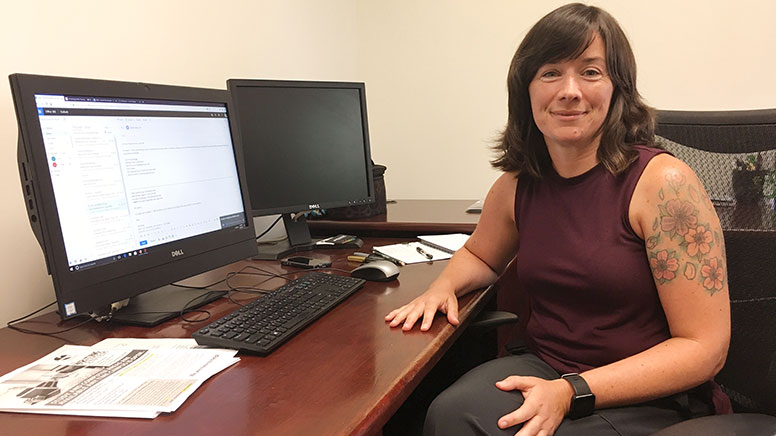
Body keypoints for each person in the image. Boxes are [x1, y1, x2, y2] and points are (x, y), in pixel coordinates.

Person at [385, 3, 731, 436]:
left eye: (590, 72)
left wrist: (573, 390)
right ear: (526, 90)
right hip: (547, 368)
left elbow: (705, 349)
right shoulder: (518, 184)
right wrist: (443, 287)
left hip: (647, 393)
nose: (569, 90)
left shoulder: (664, 185)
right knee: (447, 414)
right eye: (551, 72)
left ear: (617, 88)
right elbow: (480, 255)